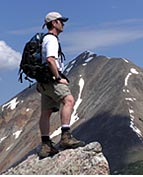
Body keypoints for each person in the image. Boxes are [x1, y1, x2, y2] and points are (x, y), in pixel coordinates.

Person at [37, 11, 85, 158]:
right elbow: (51, 60)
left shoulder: (44, 39)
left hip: (43, 81)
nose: (63, 23)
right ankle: (65, 137)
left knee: (46, 112)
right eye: (60, 21)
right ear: (54, 23)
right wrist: (58, 78)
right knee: (68, 100)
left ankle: (46, 145)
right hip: (52, 79)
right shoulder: (51, 39)